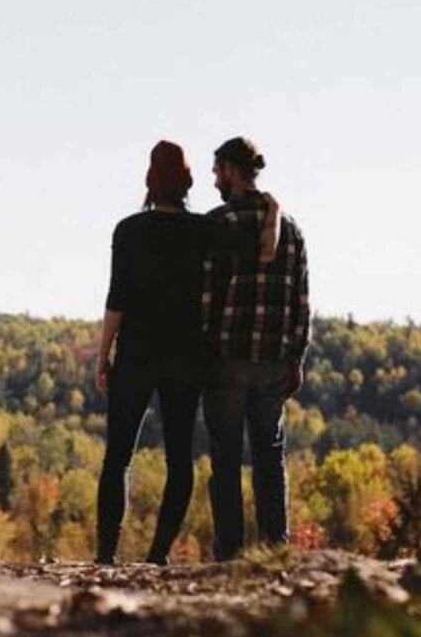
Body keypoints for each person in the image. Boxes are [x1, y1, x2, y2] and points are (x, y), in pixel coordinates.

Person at [94, 140, 278, 565]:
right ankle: (157, 556)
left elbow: (116, 298)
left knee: (118, 455)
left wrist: (103, 354)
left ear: (149, 183)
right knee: (180, 459)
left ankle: (106, 556)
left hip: (136, 354)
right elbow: (259, 243)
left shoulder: (128, 230)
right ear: (188, 183)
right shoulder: (204, 230)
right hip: (186, 358)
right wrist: (274, 206)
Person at [201, 136, 310, 561]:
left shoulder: (218, 224)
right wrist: (296, 358)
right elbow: (302, 300)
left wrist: (202, 350)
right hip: (271, 361)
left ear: (230, 169)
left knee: (225, 459)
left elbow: (207, 296)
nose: (214, 181)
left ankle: (229, 553)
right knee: (270, 457)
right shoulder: (292, 230)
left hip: (226, 358)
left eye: (216, 172)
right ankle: (273, 550)